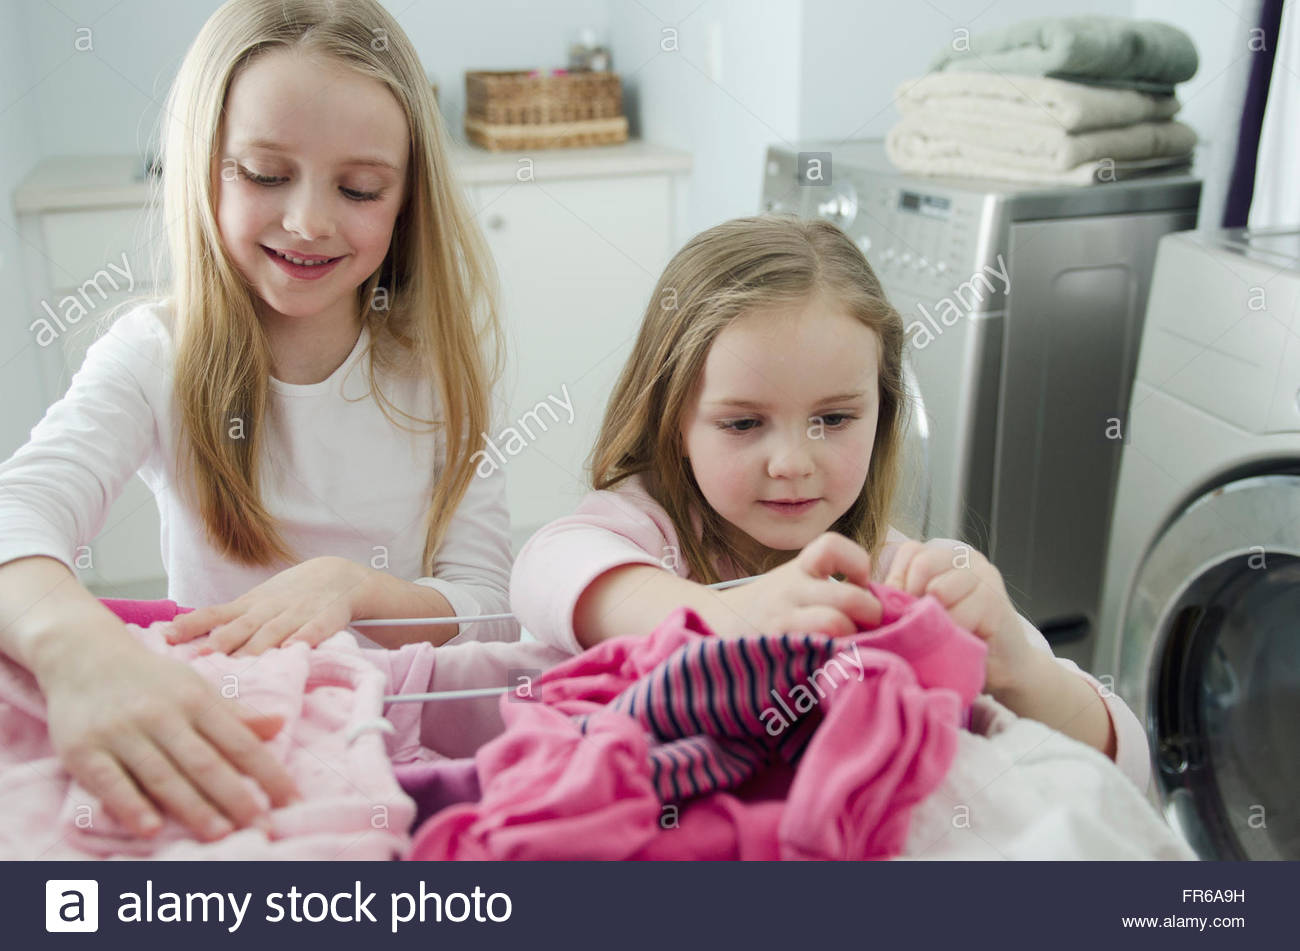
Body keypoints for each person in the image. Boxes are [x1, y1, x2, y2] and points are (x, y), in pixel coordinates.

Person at [0, 0, 516, 843]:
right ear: (206, 167)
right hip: (227, 722)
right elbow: (16, 512)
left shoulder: (436, 374)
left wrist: (352, 588)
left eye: (358, 189)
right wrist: (80, 655)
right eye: (266, 174)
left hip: (390, 729)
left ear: (406, 200)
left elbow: (491, 611)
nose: (308, 220)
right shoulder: (153, 354)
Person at [510, 215, 1151, 790]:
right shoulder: (643, 532)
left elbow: (1121, 764)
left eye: (835, 418)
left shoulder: (908, 576)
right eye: (742, 424)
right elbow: (546, 566)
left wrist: (1015, 664)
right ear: (675, 423)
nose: (792, 462)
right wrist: (730, 620)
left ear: (882, 413)